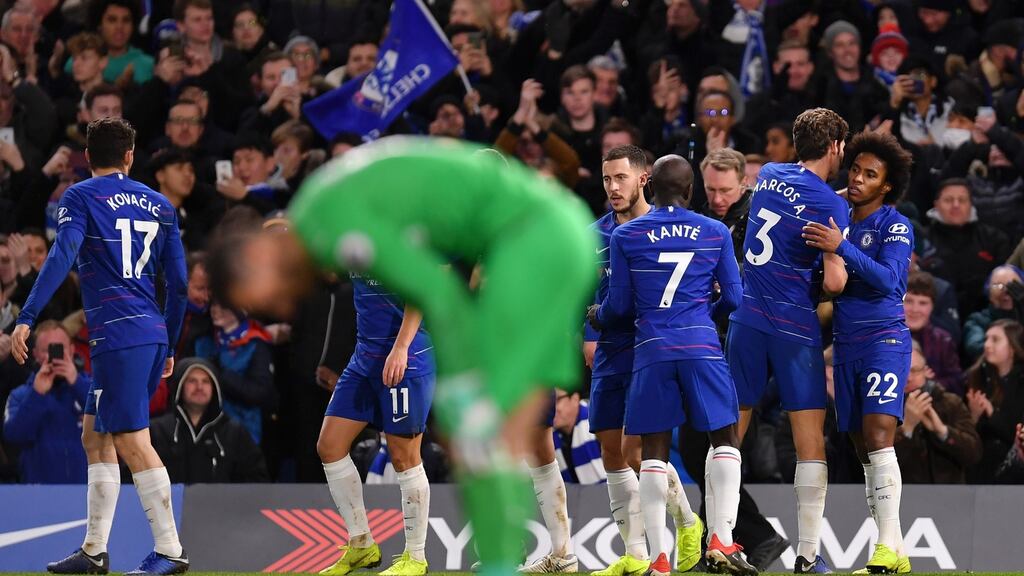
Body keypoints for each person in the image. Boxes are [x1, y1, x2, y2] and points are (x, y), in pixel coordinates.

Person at [206, 138, 596, 576]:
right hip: (544, 237)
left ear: (258, 255)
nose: (278, 307)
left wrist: (447, 372)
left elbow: (435, 290)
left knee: (486, 435)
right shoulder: (326, 215)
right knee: (482, 439)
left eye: (266, 296)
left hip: (535, 246)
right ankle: (511, 557)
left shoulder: (334, 220)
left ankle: (504, 559)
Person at [10, 117, 188, 574]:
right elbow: (181, 286)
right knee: (95, 434)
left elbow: (62, 255)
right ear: (130, 156)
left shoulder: (81, 196)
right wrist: (169, 344)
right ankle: (94, 551)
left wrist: (27, 316)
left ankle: (170, 550)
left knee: (133, 440)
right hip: (148, 332)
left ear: (87, 157)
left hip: (118, 336)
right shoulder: (161, 205)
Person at [589, 155, 752, 576]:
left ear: (650, 186)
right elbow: (734, 299)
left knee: (654, 452)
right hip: (700, 346)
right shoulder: (714, 231)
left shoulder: (627, 235)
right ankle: (720, 537)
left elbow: (620, 306)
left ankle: (660, 558)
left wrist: (596, 316)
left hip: (652, 350)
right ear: (691, 190)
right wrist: (702, 314)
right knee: (726, 439)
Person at [727, 107, 850, 574]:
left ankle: (719, 540)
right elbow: (835, 285)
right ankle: (808, 555)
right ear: (836, 147)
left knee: (728, 435)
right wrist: (837, 249)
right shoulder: (832, 207)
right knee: (808, 440)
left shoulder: (772, 174)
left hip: (748, 318)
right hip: (795, 326)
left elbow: (801, 200)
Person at [583, 145, 700, 576]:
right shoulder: (595, 236)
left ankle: (684, 524)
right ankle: (633, 552)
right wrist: (587, 336)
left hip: (652, 350)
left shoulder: (663, 230)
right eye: (607, 179)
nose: (613, 187)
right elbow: (585, 296)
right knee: (611, 451)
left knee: (637, 452)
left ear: (644, 178)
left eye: (621, 178)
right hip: (610, 350)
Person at [803, 130, 915, 573]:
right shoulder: (837, 217)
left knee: (878, 435)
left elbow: (890, 281)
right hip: (845, 346)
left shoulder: (896, 224)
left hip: (885, 338)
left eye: (871, 174)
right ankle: (897, 548)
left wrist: (841, 247)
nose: (858, 179)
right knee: (861, 447)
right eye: (856, 169)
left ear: (886, 185)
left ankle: (885, 546)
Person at [309, 225, 436, 576]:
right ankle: (361, 544)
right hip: (365, 356)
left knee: (403, 455)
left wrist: (400, 348)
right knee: (329, 446)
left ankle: (416, 556)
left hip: (406, 356)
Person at [149, 357, 269, 483]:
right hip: (171, 502)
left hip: (221, 502)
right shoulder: (158, 430)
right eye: (192, 381)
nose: (199, 387)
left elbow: (257, 480)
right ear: (179, 386)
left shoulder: (234, 432)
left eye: (206, 381)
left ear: (215, 388)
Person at [2, 320, 92, 483]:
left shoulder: (91, 388)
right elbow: (14, 436)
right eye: (47, 350)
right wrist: (37, 394)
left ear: (72, 350)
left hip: (86, 494)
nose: (53, 357)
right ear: (35, 354)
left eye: (59, 349)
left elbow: (111, 421)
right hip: (39, 497)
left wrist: (77, 383)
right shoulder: (20, 395)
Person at [894, 342, 981, 483]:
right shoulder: (883, 409)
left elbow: (974, 455)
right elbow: (877, 467)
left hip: (950, 498)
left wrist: (942, 431)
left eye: (914, 370)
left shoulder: (951, 403)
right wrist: (907, 428)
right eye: (902, 370)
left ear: (926, 372)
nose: (908, 377)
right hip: (904, 499)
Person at [965, 319, 1024, 483]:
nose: (987, 345)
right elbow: (967, 435)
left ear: (1012, 347)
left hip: (1014, 473)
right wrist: (974, 416)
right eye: (986, 339)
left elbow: (1017, 433)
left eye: (995, 340)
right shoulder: (976, 378)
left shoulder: (1020, 383)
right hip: (980, 469)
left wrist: (991, 413)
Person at [904, 271, 964, 394]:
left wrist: (928, 384)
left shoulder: (943, 341)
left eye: (923, 303)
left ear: (932, 306)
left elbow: (957, 383)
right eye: (909, 301)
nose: (915, 310)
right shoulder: (883, 337)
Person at [964, 266, 1024, 362]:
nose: (1006, 292)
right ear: (988, 292)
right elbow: (975, 347)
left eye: (1014, 286)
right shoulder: (978, 320)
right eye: (998, 286)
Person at [551, 390, 605, 485]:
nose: (550, 408)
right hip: (576, 498)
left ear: (575, 399)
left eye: (557, 400)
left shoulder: (601, 423)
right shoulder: (549, 438)